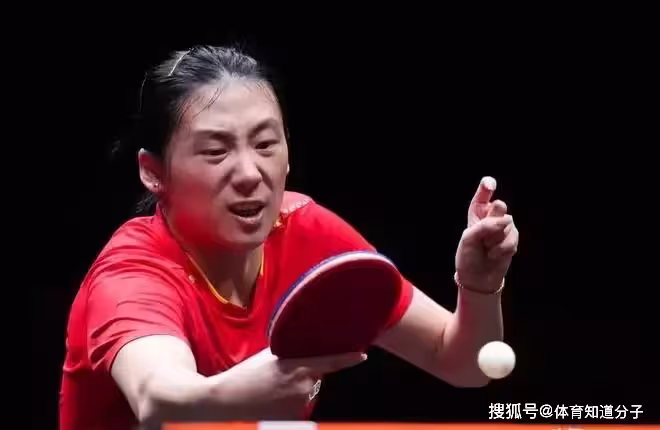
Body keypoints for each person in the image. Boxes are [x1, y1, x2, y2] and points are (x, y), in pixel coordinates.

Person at [59, 45, 519, 430]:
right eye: (216, 151)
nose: (249, 173)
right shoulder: (132, 274)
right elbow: (160, 398)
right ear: (153, 172)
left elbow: (464, 364)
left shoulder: (307, 234)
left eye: (265, 144)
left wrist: (478, 287)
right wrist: (253, 384)